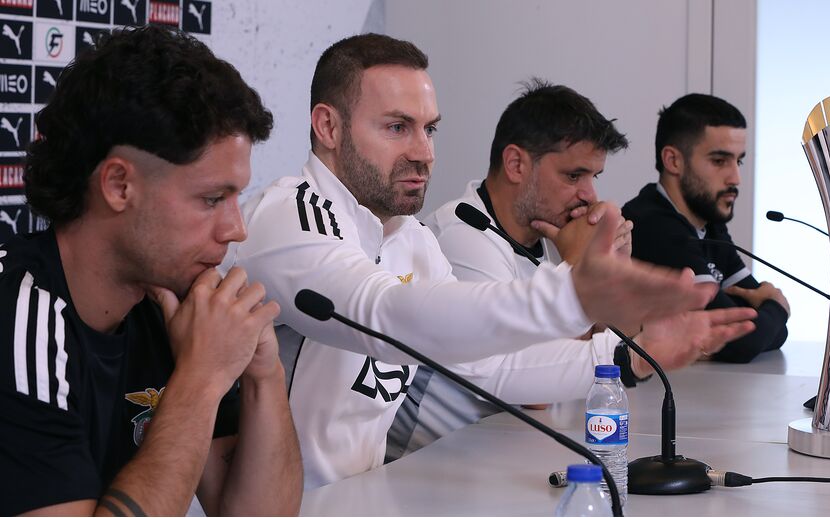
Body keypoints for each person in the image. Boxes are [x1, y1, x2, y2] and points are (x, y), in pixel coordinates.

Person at [225, 33, 719, 490]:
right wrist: (571, 295)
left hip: (363, 497)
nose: (424, 153)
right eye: (397, 127)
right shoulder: (289, 216)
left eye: (429, 129)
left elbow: (491, 367)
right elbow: (380, 313)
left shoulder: (410, 239)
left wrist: (631, 358)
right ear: (328, 126)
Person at [0, 26, 302, 516]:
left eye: (237, 198)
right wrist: (201, 378)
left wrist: (262, 373)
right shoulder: (17, 315)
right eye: (212, 199)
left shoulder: (168, 301)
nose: (237, 229)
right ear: (119, 185)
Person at [386, 80, 757, 458]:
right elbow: (534, 395)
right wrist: (581, 271)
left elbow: (610, 344)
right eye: (573, 176)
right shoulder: (462, 235)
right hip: (430, 461)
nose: (589, 195)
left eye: (594, 177)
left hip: (504, 445)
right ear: (516, 164)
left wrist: (613, 269)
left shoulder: (551, 229)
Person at [622, 93, 790, 363]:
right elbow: (740, 341)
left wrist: (765, 316)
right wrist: (777, 306)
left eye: (739, 161)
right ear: (673, 161)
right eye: (719, 161)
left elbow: (768, 331)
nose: (735, 178)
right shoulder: (652, 225)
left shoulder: (709, 224)